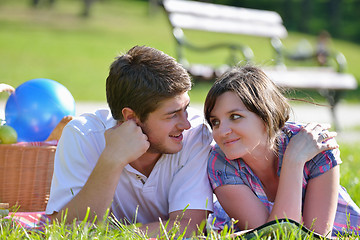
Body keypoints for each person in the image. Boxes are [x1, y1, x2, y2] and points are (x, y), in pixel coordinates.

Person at [45, 45, 213, 237]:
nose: (186, 124)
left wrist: (110, 236)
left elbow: (189, 228)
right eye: (172, 115)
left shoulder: (195, 136)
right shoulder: (83, 135)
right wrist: (112, 160)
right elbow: (66, 230)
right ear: (131, 117)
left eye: (186, 108)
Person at [204, 65, 360, 237]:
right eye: (215, 122)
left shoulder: (315, 146)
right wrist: (293, 162)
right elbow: (273, 236)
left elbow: (315, 236)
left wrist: (296, 157)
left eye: (235, 117)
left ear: (266, 115)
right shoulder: (220, 161)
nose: (221, 131)